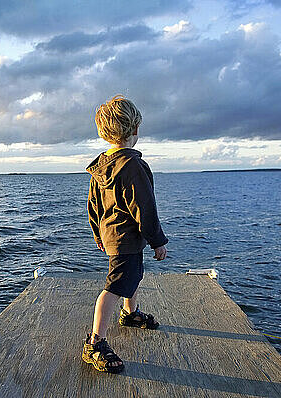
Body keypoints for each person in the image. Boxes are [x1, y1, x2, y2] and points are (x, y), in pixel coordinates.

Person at [82, 94, 168, 373]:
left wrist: (97, 234)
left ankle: (130, 314)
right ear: (134, 131)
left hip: (113, 236)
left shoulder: (101, 167)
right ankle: (95, 342)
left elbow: (93, 205)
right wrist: (157, 240)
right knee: (115, 286)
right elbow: (145, 207)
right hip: (127, 238)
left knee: (134, 274)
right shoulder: (133, 166)